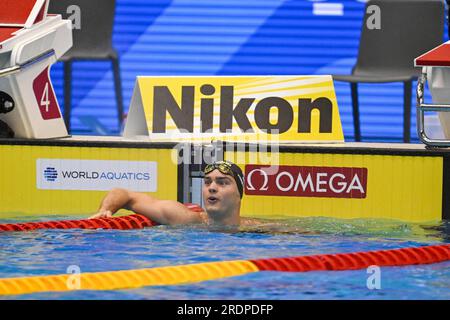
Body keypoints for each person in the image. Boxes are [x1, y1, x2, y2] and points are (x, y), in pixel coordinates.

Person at [89, 160, 258, 227]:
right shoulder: (186, 219)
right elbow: (124, 193)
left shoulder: (256, 228)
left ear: (239, 194)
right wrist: (106, 209)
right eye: (207, 182)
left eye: (222, 182)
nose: (212, 188)